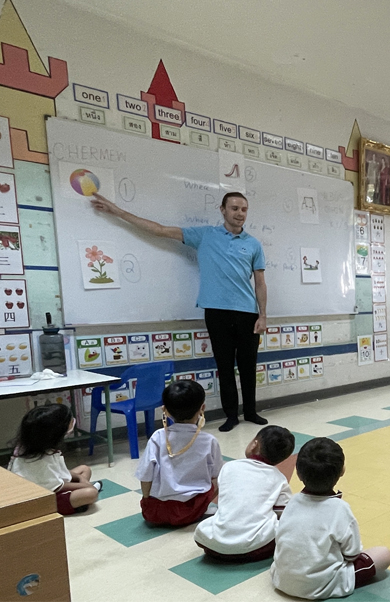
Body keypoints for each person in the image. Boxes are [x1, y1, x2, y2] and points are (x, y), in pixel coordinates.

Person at [92, 192, 268, 432]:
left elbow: (260, 282)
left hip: (247, 313)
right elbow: (160, 230)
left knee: (248, 366)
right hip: (216, 312)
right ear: (223, 210)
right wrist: (118, 212)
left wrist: (263, 315)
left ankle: (250, 412)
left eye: (244, 209)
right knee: (225, 367)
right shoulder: (205, 235)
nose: (240, 213)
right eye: (235, 208)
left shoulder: (253, 243)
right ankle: (231, 416)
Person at [271, 438, 390, 599]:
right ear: (342, 471)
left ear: (298, 473)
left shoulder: (292, 501)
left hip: (281, 580)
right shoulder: (340, 509)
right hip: (320, 585)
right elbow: (352, 554)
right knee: (384, 554)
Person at [194, 425, 295, 562]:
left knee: (205, 526)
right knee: (282, 526)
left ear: (254, 444)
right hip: (256, 548)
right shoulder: (279, 478)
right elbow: (283, 512)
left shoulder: (229, 467)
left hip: (215, 545)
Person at [136, 380, 222, 526]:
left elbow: (145, 475)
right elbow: (216, 476)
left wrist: (147, 501)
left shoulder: (157, 437)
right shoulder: (209, 441)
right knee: (219, 477)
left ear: (165, 411)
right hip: (194, 509)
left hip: (156, 513)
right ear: (202, 408)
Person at [7, 404, 102, 515]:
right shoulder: (39, 460)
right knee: (91, 493)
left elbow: (58, 473)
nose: (72, 422)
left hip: (53, 483)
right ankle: (76, 502)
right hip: (46, 497)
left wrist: (80, 478)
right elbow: (55, 486)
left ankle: (79, 498)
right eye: (69, 422)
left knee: (84, 469)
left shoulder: (40, 446)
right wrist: (84, 485)